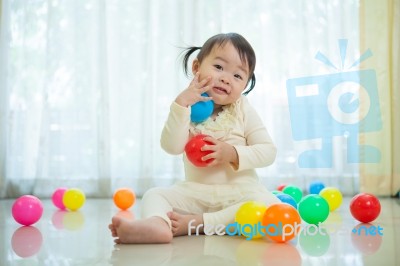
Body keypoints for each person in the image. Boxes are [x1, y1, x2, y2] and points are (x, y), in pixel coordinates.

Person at [109, 32, 279, 244]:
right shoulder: (187, 109)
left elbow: (268, 151)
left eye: (238, 76)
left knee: (268, 204)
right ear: (197, 67)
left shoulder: (242, 108)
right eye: (218, 67)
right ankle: (158, 224)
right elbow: (171, 146)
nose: (226, 78)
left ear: (245, 85)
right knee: (155, 194)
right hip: (196, 194)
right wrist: (180, 106)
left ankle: (200, 223)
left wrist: (232, 153)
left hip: (240, 194)